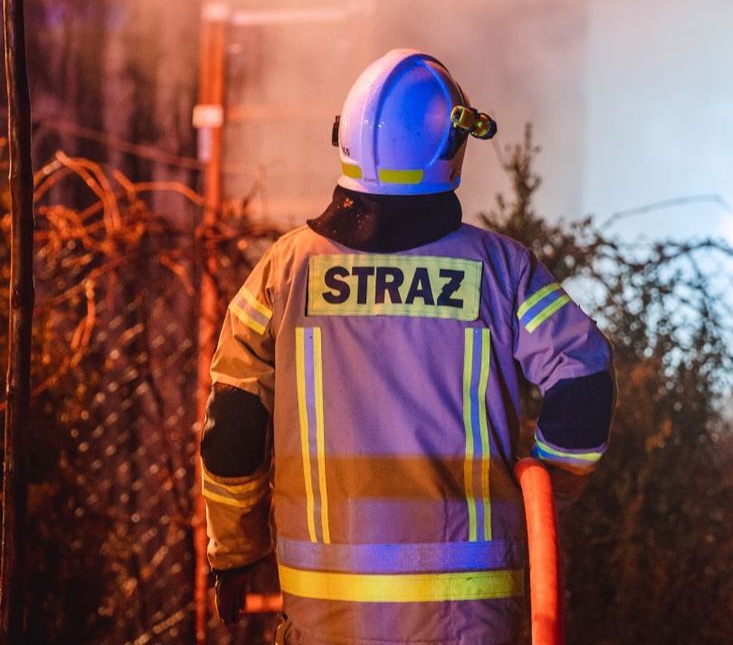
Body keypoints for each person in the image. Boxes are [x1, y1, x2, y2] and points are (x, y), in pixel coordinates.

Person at [199, 49, 616, 645]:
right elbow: (584, 380)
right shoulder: (502, 271)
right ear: (451, 147)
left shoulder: (284, 273)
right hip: (469, 621)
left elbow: (231, 426)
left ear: (344, 139)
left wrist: (236, 553)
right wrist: (543, 503)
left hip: (324, 621)